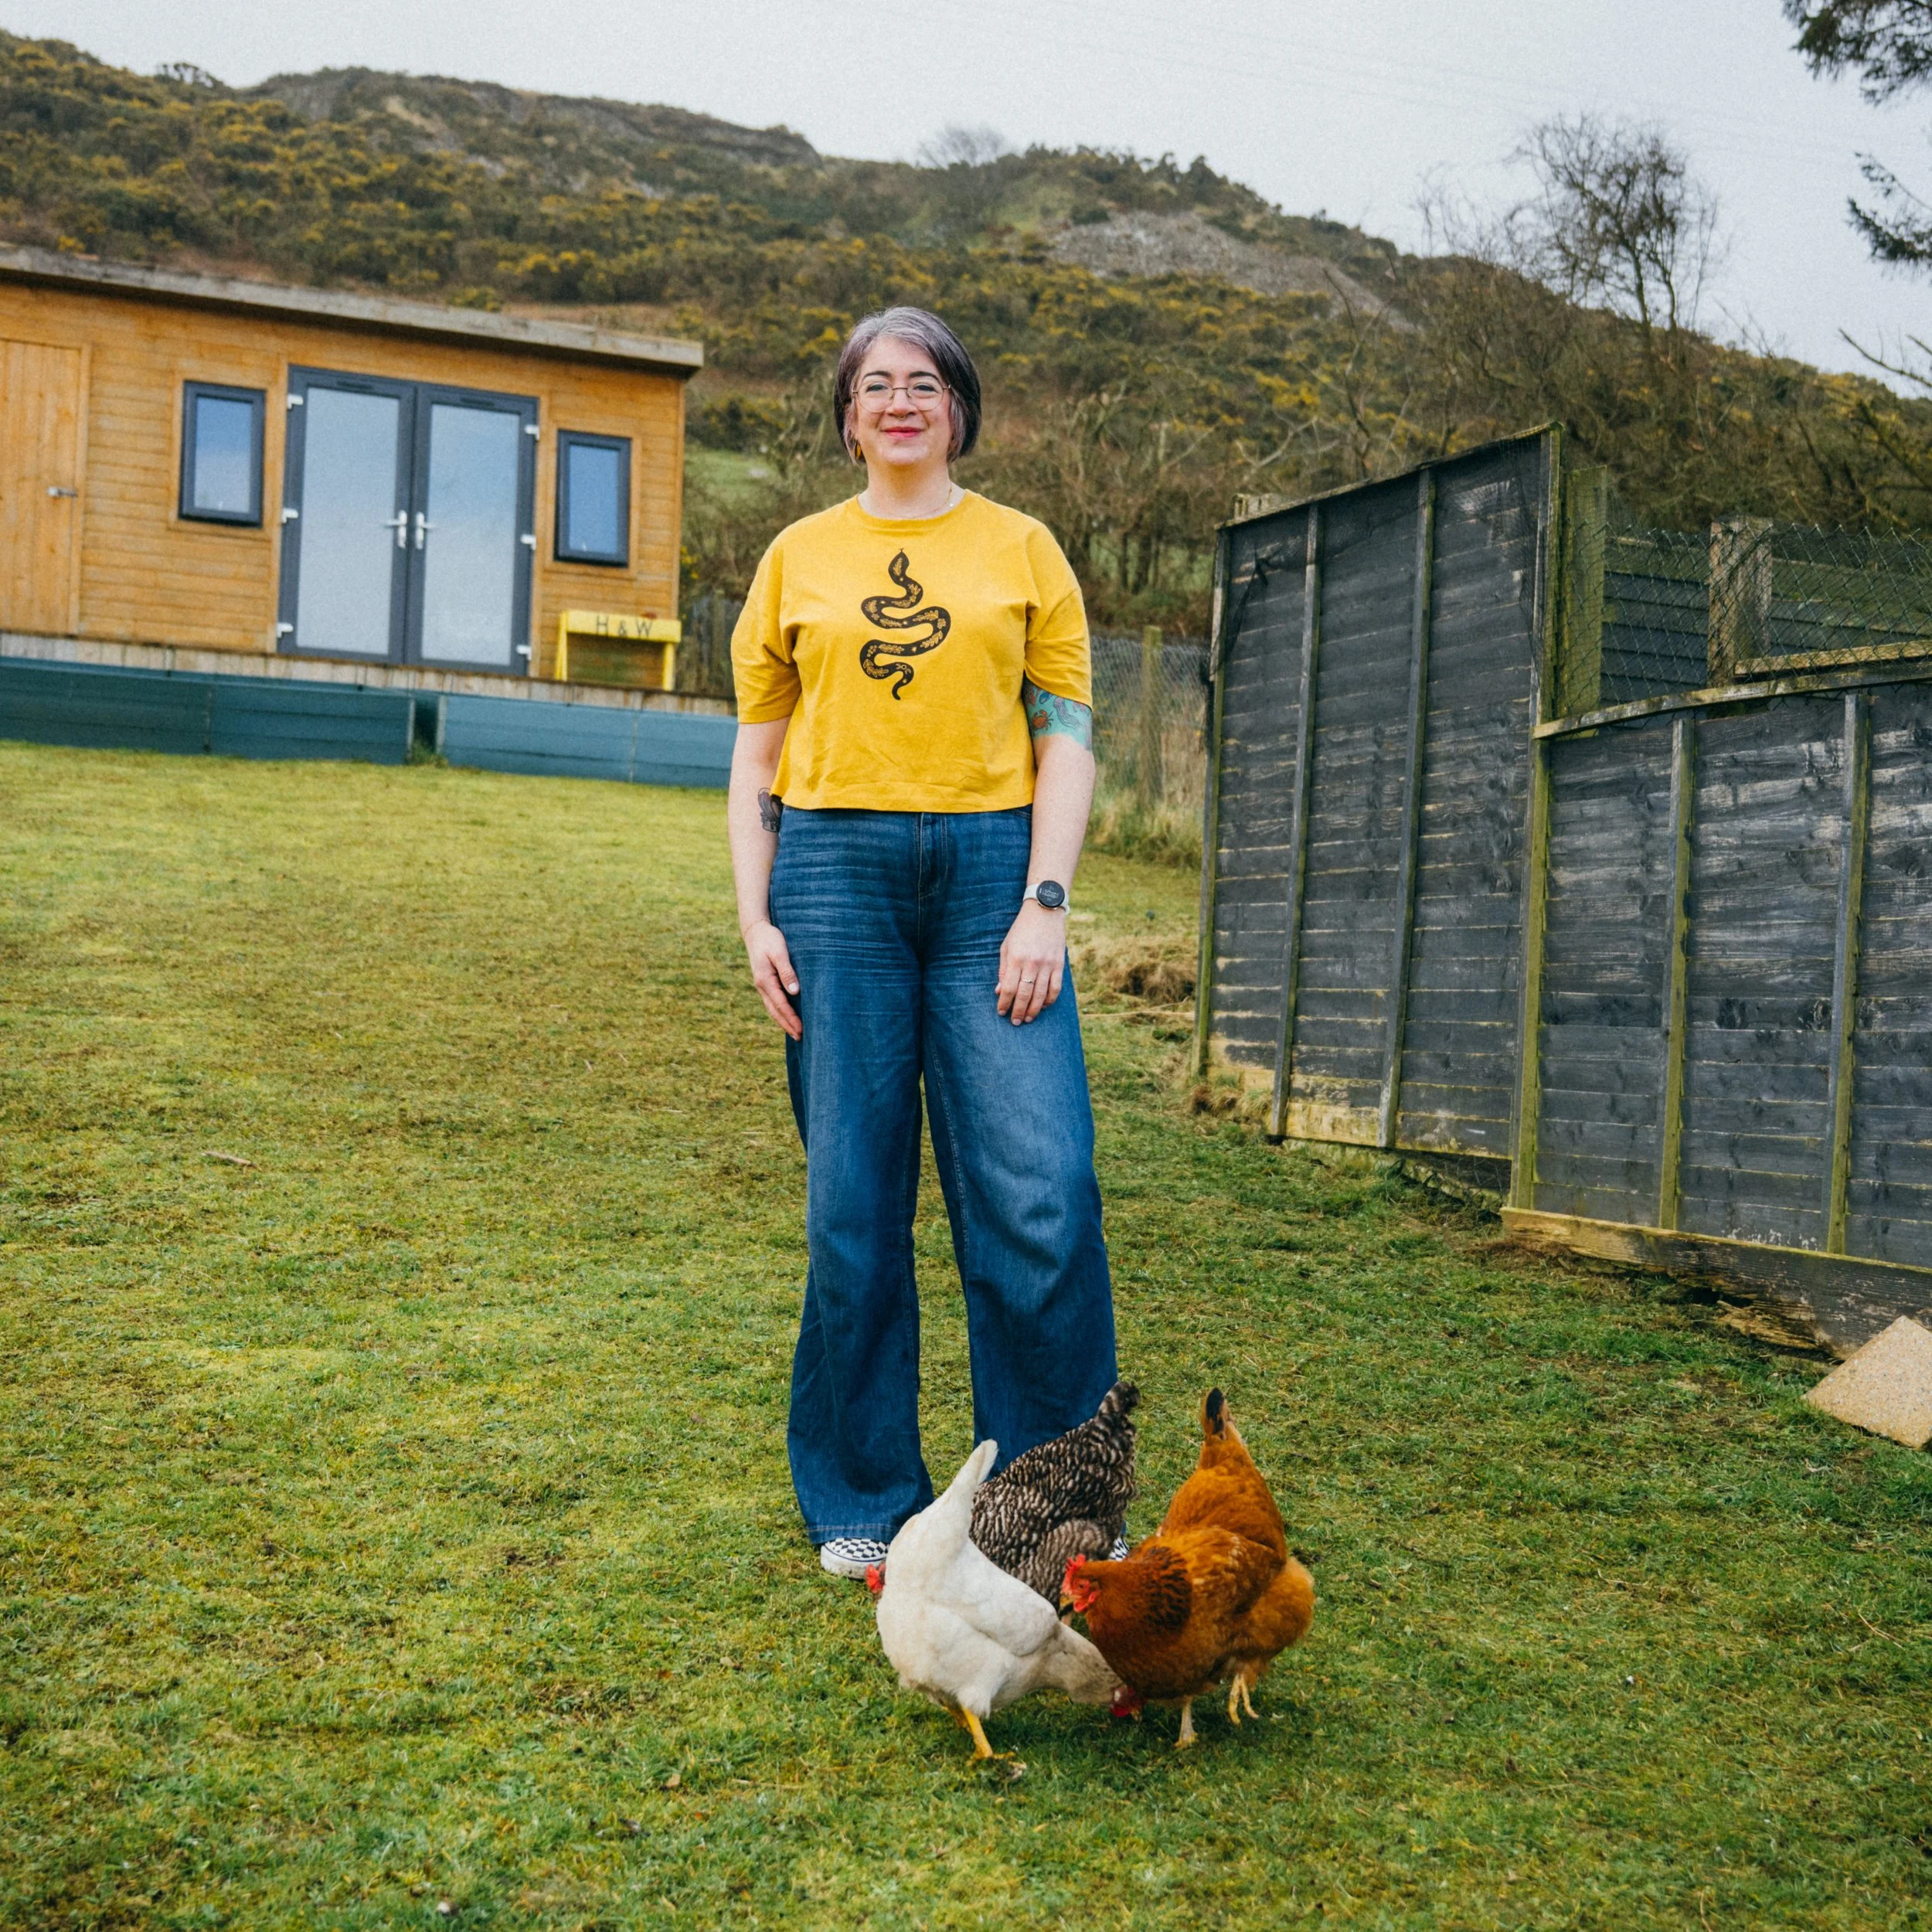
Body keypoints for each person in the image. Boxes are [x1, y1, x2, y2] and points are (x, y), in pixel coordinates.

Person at [726, 304, 1119, 1579]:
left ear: (958, 405)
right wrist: (755, 913)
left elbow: (1066, 734)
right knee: (853, 1198)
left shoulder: (1024, 549)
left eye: (925, 383)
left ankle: (1050, 1508)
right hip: (836, 877)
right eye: (875, 386)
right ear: (848, 417)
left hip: (991, 882)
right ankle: (865, 1500)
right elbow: (755, 759)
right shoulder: (795, 559)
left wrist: (1043, 906)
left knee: (1039, 1192)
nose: (900, 403)